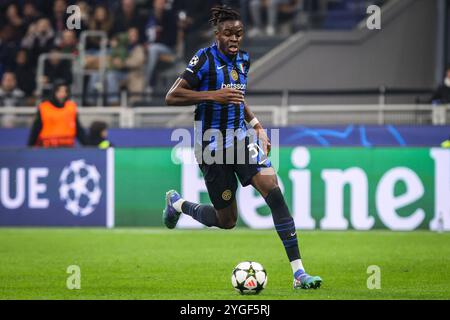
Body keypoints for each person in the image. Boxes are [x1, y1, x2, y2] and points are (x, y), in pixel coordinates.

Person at [163, 5, 322, 290]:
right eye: (228, 34)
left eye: (239, 33)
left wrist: (257, 125)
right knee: (227, 220)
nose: (235, 39)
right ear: (217, 35)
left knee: (273, 192)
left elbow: (238, 98)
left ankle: (299, 273)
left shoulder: (244, 61)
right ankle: (178, 204)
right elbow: (172, 96)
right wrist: (214, 95)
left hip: (240, 140)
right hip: (211, 146)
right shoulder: (203, 59)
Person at [28, 82, 87, 148]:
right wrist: (30, 145)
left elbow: (78, 128)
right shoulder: (44, 107)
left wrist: (87, 145)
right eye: (60, 91)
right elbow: (36, 127)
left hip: (68, 147)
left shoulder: (71, 107)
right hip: (48, 147)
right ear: (54, 92)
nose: (62, 94)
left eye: (65, 91)